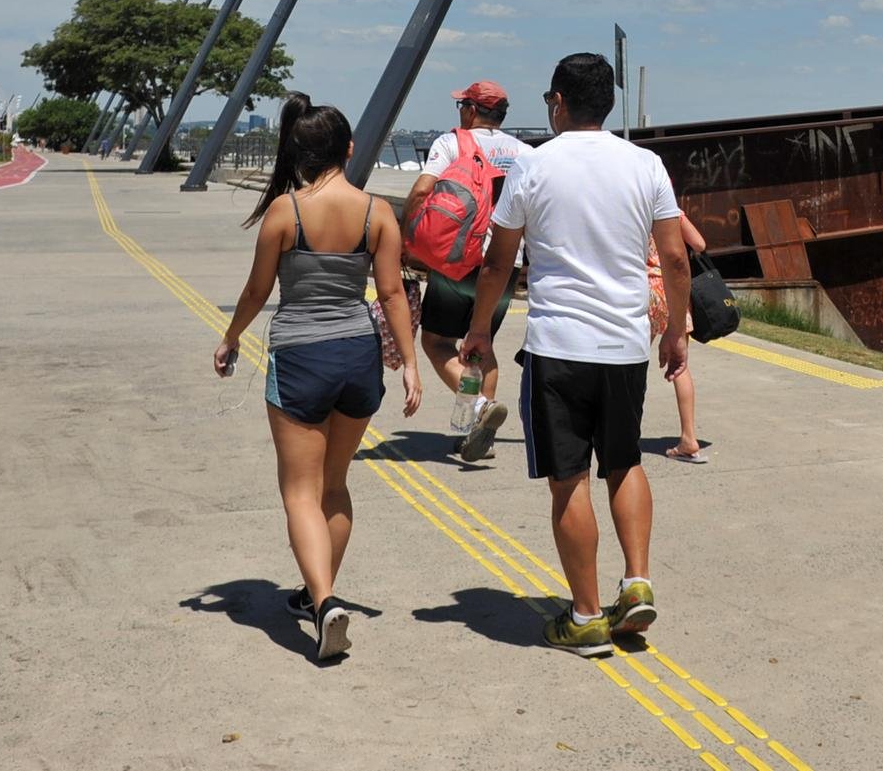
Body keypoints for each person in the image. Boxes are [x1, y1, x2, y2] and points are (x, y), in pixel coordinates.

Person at [462, 54, 688, 656]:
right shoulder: (646, 165)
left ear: (558, 102)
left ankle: (586, 617)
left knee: (569, 480)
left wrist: (480, 329)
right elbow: (676, 257)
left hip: (557, 348)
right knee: (625, 462)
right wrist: (676, 332)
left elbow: (498, 261)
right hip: (623, 346)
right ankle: (636, 582)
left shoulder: (535, 166)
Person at [214, 94, 423, 663]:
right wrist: (409, 366)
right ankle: (312, 593)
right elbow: (392, 293)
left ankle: (325, 601)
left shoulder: (287, 211)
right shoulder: (378, 211)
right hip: (358, 357)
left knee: (299, 492)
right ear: (350, 149)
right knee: (335, 485)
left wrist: (231, 336)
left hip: (301, 359)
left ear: (296, 150)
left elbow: (258, 291)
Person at [404, 80, 530, 462]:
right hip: (506, 265)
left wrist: (406, 235)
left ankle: (478, 411)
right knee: (481, 344)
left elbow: (423, 190)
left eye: (462, 104)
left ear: (471, 110)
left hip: (459, 260)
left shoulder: (452, 143)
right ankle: (477, 435)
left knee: (437, 342)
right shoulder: (524, 152)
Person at [649, 214, 710, 463]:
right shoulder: (671, 211)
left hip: (642, 288)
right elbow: (699, 244)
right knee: (680, 365)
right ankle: (688, 437)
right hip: (674, 291)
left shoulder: (631, 201)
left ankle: (620, 432)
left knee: (631, 363)